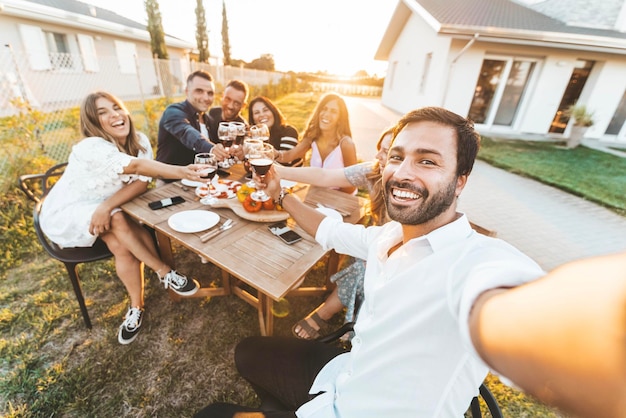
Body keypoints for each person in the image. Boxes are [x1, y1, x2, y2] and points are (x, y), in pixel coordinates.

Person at [195, 106, 626, 418]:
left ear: (461, 182)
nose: (402, 172)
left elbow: (515, 309)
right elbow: (327, 230)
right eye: (397, 157)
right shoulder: (387, 237)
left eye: (428, 161)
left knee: (211, 415)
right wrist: (281, 195)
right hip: (344, 376)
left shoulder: (479, 262)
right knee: (248, 351)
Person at [40, 91, 205, 345]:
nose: (114, 115)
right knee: (117, 219)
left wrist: (106, 206)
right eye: (102, 113)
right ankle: (164, 271)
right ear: (93, 123)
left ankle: (136, 307)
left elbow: (140, 183)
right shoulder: (91, 147)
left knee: (119, 244)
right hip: (68, 210)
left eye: (115, 107)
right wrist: (183, 171)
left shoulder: (139, 141)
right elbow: (137, 168)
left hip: (103, 207)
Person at [275, 127, 393, 339]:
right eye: (379, 149)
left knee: (364, 267)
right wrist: (278, 171)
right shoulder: (374, 170)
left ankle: (323, 314)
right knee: (362, 260)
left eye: (386, 152)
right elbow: (324, 176)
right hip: (371, 240)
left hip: (392, 254)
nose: (377, 156)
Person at [274, 93, 358, 194]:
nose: (326, 114)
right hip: (317, 195)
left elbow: (352, 185)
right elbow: (289, 155)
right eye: (324, 108)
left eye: (333, 111)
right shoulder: (312, 137)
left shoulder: (346, 144)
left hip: (342, 198)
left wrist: (327, 198)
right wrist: (272, 153)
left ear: (340, 118)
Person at [156, 70, 231, 178]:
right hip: (170, 183)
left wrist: (228, 153)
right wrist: (211, 148)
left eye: (210, 93)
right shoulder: (173, 112)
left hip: (200, 181)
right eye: (199, 91)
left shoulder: (209, 120)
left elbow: (219, 148)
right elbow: (187, 132)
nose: (206, 98)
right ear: (187, 91)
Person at [248, 96, 302, 167]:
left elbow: (285, 163)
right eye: (257, 112)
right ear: (253, 119)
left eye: (265, 110)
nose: (262, 115)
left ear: (273, 111)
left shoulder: (289, 132)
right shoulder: (255, 138)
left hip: (292, 177)